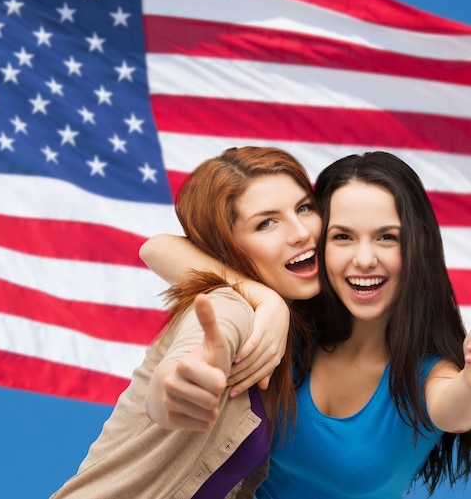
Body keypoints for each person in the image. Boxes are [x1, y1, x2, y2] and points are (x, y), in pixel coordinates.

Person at [142, 150, 471, 498]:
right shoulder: (285, 328)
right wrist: (268, 300)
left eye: (387, 238)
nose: (364, 259)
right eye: (342, 237)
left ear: (417, 248)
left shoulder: (425, 375)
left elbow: (456, 407)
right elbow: (157, 248)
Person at [50, 146, 321, 499]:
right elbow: (188, 365)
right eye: (266, 223)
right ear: (228, 245)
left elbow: (158, 247)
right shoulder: (228, 308)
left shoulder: (292, 332)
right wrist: (178, 387)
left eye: (304, 208)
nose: (300, 232)